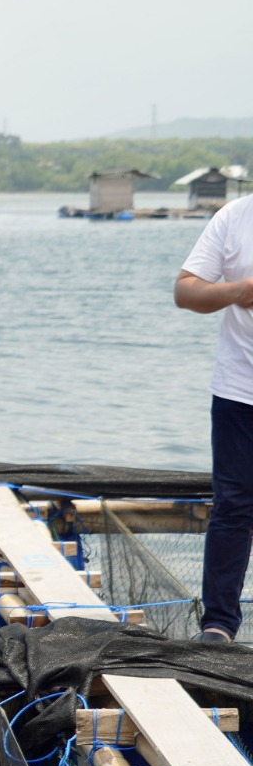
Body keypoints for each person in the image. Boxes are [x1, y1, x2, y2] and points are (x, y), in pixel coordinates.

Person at [174, 196, 253, 644]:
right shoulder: (235, 216)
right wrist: (239, 291)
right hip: (238, 392)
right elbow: (186, 291)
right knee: (233, 507)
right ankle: (219, 624)